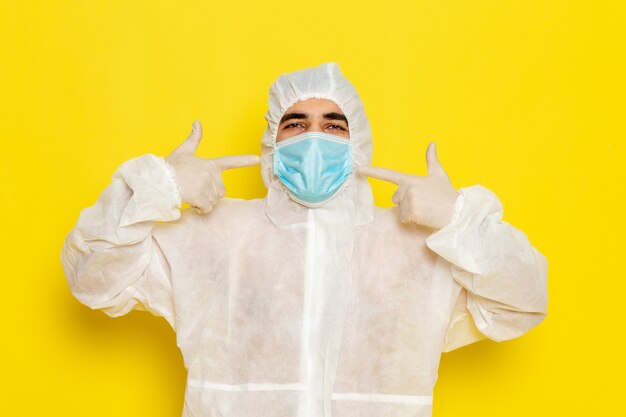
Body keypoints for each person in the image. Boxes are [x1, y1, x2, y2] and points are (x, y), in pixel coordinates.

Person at [61, 62, 548, 417]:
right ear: (273, 144)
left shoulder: (414, 249)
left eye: (334, 127)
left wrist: (458, 221)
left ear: (358, 146)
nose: (314, 140)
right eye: (296, 125)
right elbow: (91, 276)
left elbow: (522, 303)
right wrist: (160, 186)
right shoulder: (213, 238)